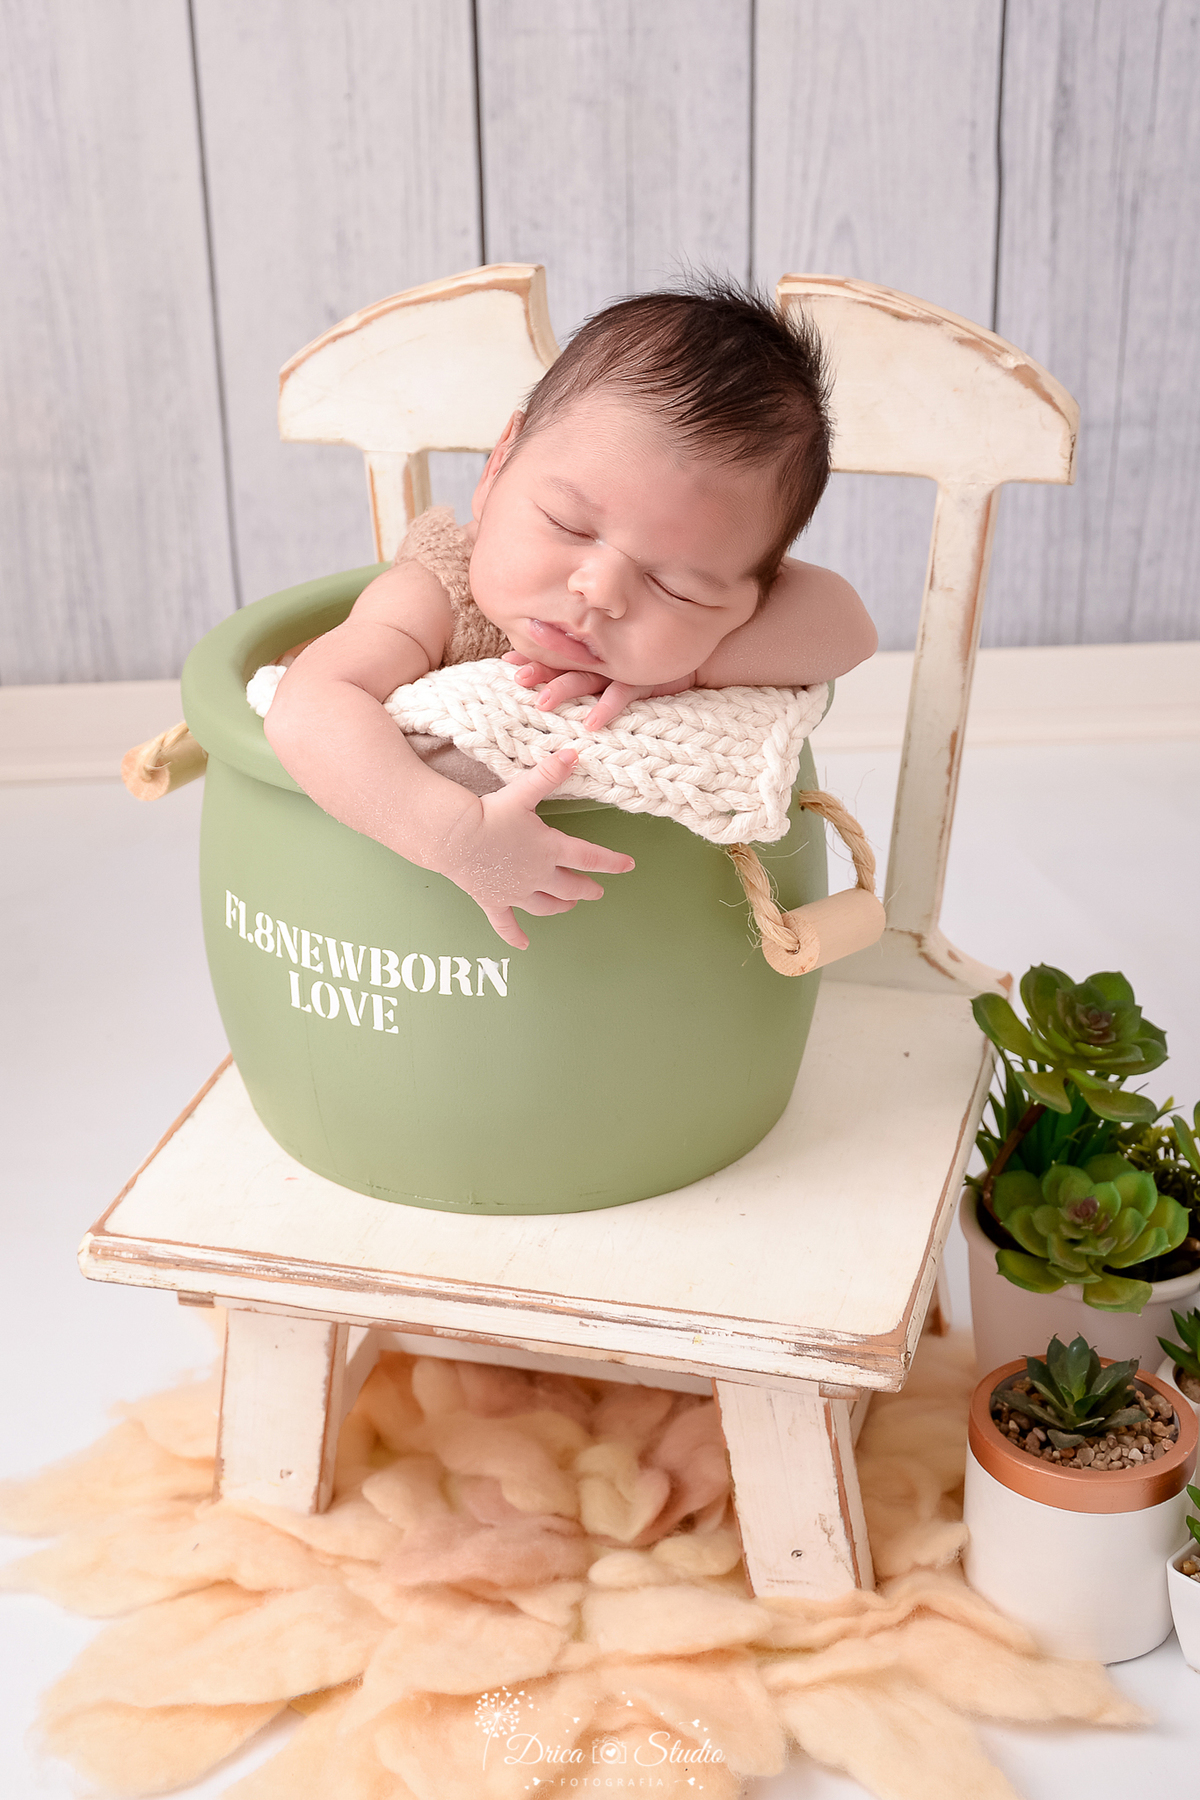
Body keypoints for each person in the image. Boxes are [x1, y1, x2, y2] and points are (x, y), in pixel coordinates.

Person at [264, 280, 877, 950]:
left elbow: (849, 628)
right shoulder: (435, 596)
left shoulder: (706, 629)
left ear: (752, 596)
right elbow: (311, 705)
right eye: (568, 525)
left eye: (674, 588)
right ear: (500, 463)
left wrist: (689, 663)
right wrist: (455, 835)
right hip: (424, 933)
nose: (600, 590)